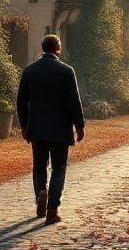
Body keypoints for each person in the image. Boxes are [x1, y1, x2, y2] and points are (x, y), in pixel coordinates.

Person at [16, 33, 85, 225]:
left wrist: (24, 125)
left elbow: (21, 101)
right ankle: (52, 209)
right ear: (58, 48)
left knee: (39, 165)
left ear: (42, 47)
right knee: (59, 168)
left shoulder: (30, 71)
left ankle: (41, 192)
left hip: (37, 128)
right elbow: (74, 101)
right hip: (61, 129)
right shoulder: (66, 71)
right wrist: (79, 125)